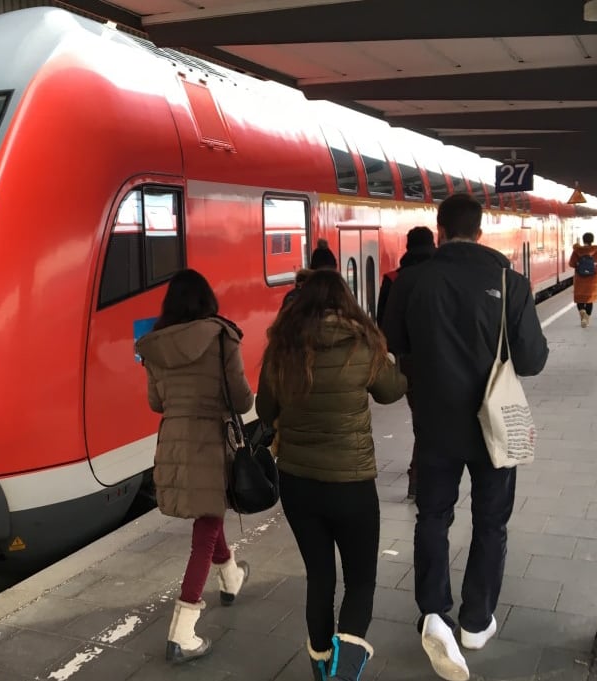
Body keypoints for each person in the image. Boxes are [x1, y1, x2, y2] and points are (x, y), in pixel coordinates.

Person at [381, 194, 549, 681]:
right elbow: (533, 360)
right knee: (491, 520)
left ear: (439, 230)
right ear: (479, 231)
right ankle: (476, 622)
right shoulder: (508, 281)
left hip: (434, 425)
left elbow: (393, 344)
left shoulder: (412, 280)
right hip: (493, 424)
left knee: (432, 516)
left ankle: (435, 611)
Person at [256, 269, 407, 681]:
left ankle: (323, 668)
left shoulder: (281, 348)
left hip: (298, 484)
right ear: (346, 300)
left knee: (320, 576)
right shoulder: (363, 342)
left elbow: (264, 412)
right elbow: (392, 390)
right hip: (352, 484)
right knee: (361, 581)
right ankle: (345, 672)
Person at [134, 268, 254, 665]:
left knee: (208, 516)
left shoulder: (154, 346)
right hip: (210, 443)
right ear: (207, 301)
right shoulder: (221, 337)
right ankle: (182, 632)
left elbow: (157, 403)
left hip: (173, 440)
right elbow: (240, 400)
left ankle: (231, 577)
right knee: (205, 532)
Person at [375, 226, 437, 501]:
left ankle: (420, 472)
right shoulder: (443, 274)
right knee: (429, 421)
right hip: (444, 358)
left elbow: (383, 322)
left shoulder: (394, 278)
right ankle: (418, 478)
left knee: (421, 418)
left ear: (408, 248)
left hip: (409, 361)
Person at [568, 232, 597, 328]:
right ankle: (586, 318)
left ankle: (582, 312)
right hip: (592, 280)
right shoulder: (596, 252)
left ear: (583, 240)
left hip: (580, 279)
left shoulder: (577, 251)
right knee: (589, 300)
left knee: (580, 299)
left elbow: (571, 264)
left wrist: (579, 267)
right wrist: (594, 269)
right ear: (592, 240)